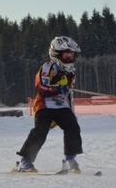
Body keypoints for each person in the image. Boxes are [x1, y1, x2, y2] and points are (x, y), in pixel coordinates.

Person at [16, 36, 83, 173]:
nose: (70, 58)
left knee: (73, 128)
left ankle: (70, 159)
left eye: (72, 55)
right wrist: (57, 86)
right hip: (44, 106)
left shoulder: (71, 71)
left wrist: (65, 88)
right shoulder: (48, 67)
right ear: (57, 54)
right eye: (67, 55)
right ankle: (25, 162)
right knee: (40, 131)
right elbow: (40, 86)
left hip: (62, 106)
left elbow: (68, 90)